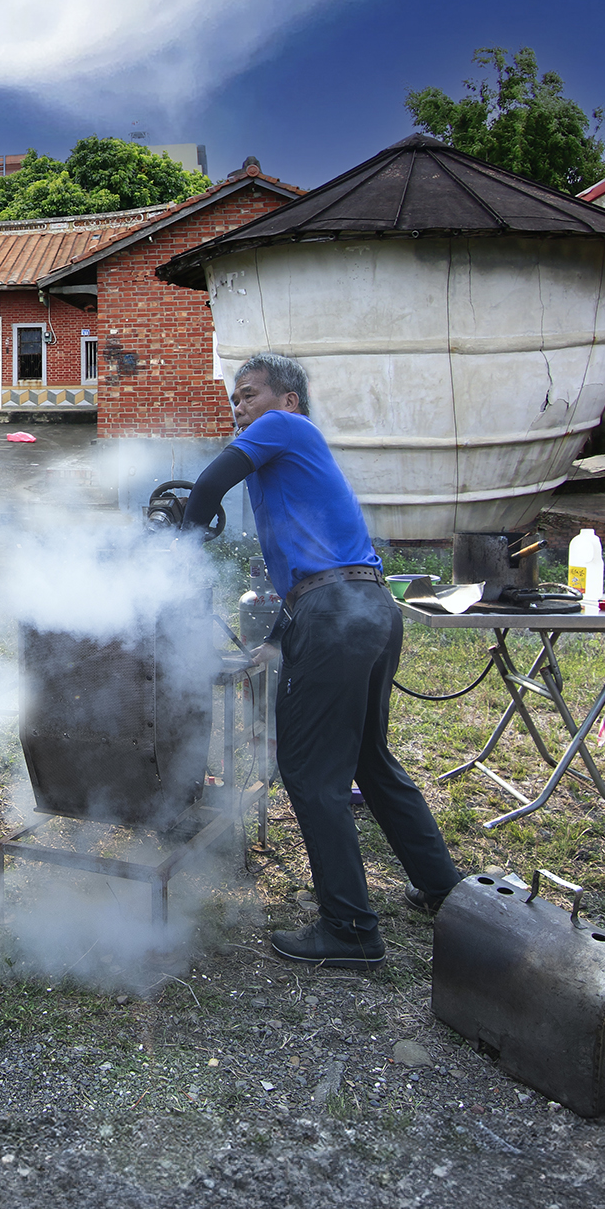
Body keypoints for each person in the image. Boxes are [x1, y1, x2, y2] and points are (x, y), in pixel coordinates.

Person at [182, 352, 460, 969]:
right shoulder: (287, 457)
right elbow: (313, 567)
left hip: (337, 616)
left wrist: (179, 549)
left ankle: (351, 930)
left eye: (250, 393)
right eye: (235, 397)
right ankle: (444, 888)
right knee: (368, 758)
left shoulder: (284, 429)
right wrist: (279, 639)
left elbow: (205, 486)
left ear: (289, 400)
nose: (239, 405)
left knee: (309, 772)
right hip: (366, 608)